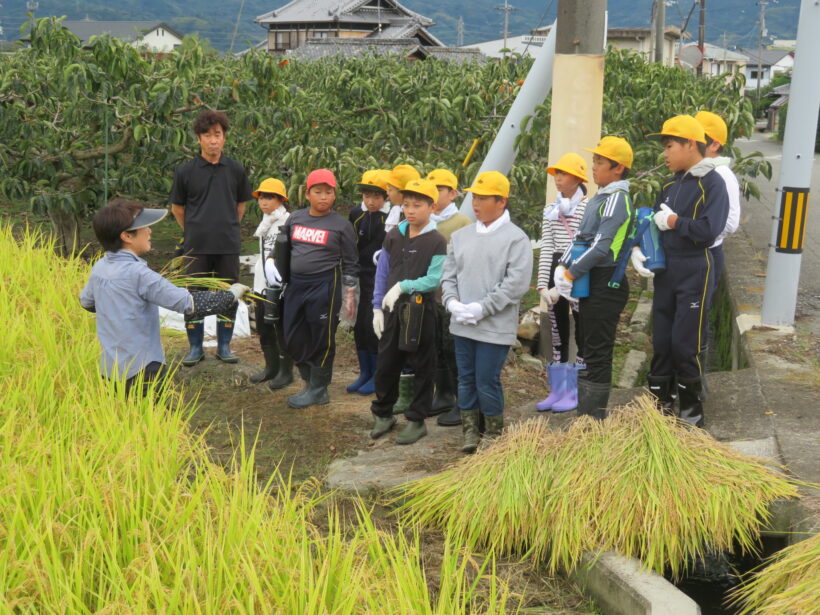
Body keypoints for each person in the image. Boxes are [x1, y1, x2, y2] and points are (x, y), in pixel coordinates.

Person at [80, 198, 249, 397]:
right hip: (142, 369)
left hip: (110, 367)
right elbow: (190, 305)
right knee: (149, 421)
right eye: (144, 227)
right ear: (127, 236)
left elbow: (87, 302)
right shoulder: (140, 274)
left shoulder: (100, 268)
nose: (150, 231)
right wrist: (231, 294)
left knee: (119, 418)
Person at [643, 115, 729, 428]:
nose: (664, 154)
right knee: (662, 339)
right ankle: (658, 405)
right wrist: (644, 250)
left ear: (690, 144)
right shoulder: (668, 184)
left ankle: (691, 413)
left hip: (695, 268)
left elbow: (709, 231)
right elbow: (653, 223)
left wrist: (675, 222)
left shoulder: (712, 183)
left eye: (669, 146)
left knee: (685, 341)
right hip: (667, 268)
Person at [441, 171, 533, 453]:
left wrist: (483, 307)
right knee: (465, 377)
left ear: (501, 201)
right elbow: (449, 275)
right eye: (474, 197)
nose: (476, 203)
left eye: (483, 198)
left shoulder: (516, 239)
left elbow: (515, 284)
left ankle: (493, 433)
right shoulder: (460, 236)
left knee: (486, 379)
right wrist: (452, 303)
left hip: (494, 326)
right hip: (462, 324)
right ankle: (471, 431)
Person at [553, 137, 635, 421]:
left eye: (600, 162)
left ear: (618, 168)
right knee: (586, 348)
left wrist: (571, 272)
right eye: (595, 161)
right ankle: (585, 417)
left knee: (598, 353)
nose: (594, 166)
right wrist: (562, 265)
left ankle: (593, 421)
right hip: (590, 282)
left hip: (605, 283)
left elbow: (601, 247)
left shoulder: (617, 199)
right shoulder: (599, 198)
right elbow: (580, 237)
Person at [169, 110, 253, 366]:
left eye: (217, 134)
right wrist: (195, 230)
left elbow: (241, 205)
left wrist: (226, 227)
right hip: (196, 246)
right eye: (207, 135)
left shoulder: (236, 169)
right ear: (199, 139)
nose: (213, 140)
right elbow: (178, 209)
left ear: (224, 138)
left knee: (228, 294)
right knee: (194, 296)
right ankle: (195, 347)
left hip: (227, 245)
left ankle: (224, 346)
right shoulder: (186, 171)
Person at [369, 179, 447, 445]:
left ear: (431, 207)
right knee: (386, 362)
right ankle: (383, 412)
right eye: (406, 205)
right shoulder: (394, 235)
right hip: (392, 310)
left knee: (424, 364)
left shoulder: (437, 241)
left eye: (417, 205)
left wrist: (404, 285)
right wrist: (377, 306)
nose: (410, 211)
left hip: (421, 309)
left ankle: (416, 420)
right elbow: (383, 272)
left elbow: (435, 279)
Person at [278, 169, 359, 409]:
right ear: (307, 194)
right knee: (292, 334)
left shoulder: (341, 225)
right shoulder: (295, 218)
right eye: (318, 192)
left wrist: (350, 294)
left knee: (321, 337)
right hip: (295, 285)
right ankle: (307, 380)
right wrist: (274, 264)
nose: (323, 197)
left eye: (328, 192)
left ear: (334, 195)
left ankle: (319, 387)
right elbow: (284, 248)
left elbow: (351, 263)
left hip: (325, 286)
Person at [535, 153, 589, 413]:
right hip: (554, 269)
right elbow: (547, 246)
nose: (557, 178)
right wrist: (542, 285)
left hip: (575, 270)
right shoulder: (551, 209)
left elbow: (582, 245)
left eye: (563, 174)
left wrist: (567, 278)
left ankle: (575, 389)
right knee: (557, 332)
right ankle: (557, 389)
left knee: (581, 329)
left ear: (578, 178)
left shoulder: (587, 207)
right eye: (556, 173)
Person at [425, 168, 473, 426]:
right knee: (436, 348)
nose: (434, 194)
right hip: (429, 297)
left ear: (452, 193)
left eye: (439, 189)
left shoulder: (463, 224)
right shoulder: (425, 220)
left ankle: (460, 401)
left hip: (453, 298)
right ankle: (442, 394)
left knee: (453, 350)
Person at [346, 169, 391, 396]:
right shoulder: (356, 214)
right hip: (359, 275)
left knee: (374, 324)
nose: (371, 202)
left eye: (376, 197)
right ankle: (364, 371)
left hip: (380, 277)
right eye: (367, 196)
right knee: (359, 324)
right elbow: (351, 243)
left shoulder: (391, 217)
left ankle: (376, 374)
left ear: (386, 197)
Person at [382, 163, 422, 412]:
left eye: (390, 187)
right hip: (393, 283)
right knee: (397, 339)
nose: (387, 192)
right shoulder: (395, 213)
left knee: (410, 340)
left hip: (410, 288)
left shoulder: (413, 218)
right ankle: (401, 392)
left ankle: (412, 396)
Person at [248, 177, 294, 390]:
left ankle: (286, 371)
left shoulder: (287, 221)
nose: (264, 202)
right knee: (263, 325)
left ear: (280, 199)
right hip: (260, 282)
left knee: (280, 327)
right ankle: (271, 367)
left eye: (269, 197)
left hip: (279, 285)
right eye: (261, 198)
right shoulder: (266, 221)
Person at [694, 110, 741, 294]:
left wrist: (695, 233)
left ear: (714, 144)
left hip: (706, 253)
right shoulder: (695, 171)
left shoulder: (721, 175)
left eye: (697, 139)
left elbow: (730, 223)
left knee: (696, 317)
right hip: (693, 254)